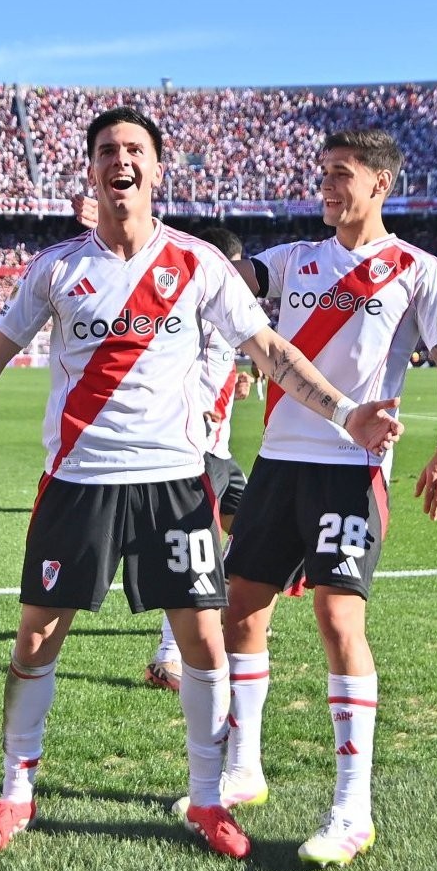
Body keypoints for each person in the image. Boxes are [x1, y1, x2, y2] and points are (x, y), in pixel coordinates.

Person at [0, 107, 400, 861]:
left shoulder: (198, 264)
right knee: (36, 637)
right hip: (79, 481)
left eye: (135, 149)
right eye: (108, 150)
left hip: (173, 485)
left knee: (203, 641)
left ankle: (208, 798)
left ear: (156, 169)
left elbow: (270, 350)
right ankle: (15, 793)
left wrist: (345, 412)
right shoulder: (57, 268)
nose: (122, 160)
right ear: (92, 171)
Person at [218, 129, 437, 868]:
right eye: (323, 173)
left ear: (380, 183)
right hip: (278, 460)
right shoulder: (291, 259)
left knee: (338, 618)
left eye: (341, 174)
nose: (327, 186)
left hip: (350, 466)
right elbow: (228, 275)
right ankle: (244, 767)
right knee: (243, 608)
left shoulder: (416, 270)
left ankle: (352, 810)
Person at [143, 226, 253, 694]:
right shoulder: (190, 307)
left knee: (255, 532)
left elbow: (224, 359)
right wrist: (194, 402)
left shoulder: (228, 310)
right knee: (194, 553)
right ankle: (168, 656)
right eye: (237, 265)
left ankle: (227, 611)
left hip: (221, 451)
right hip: (196, 449)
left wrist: (237, 382)